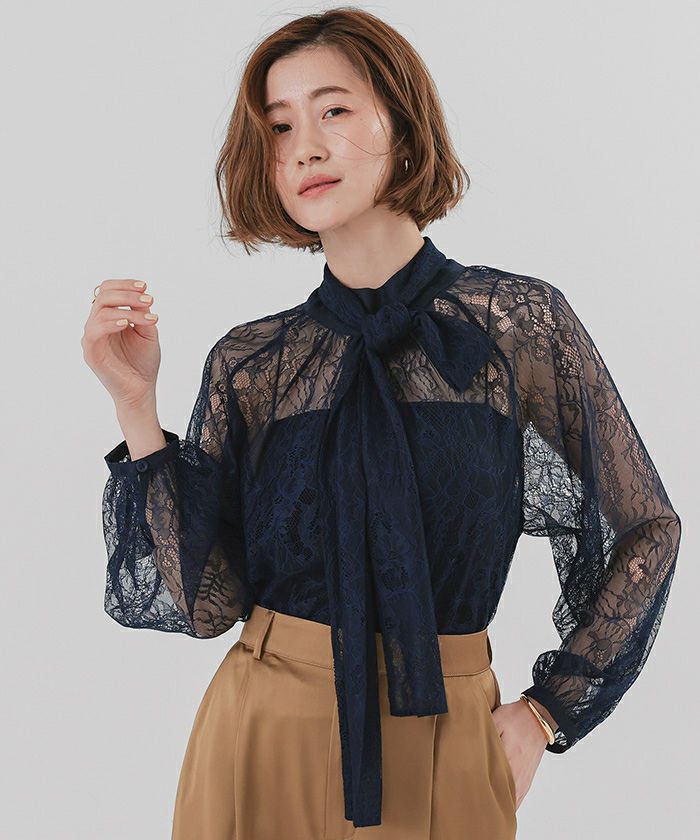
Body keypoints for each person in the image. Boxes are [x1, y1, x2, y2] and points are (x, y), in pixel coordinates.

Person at [82, 8, 682, 840]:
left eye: (333, 110)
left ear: (401, 125)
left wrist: (548, 711)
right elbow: (206, 600)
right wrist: (135, 406)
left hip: (447, 738)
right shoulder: (254, 363)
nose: (304, 147)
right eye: (279, 127)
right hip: (261, 735)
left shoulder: (516, 327)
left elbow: (644, 528)